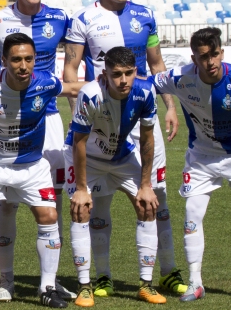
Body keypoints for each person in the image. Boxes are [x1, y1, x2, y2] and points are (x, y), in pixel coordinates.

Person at [62, 0, 185, 300]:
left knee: (155, 198)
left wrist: (170, 106)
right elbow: (71, 71)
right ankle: (101, 277)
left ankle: (168, 270)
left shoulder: (145, 16)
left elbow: (157, 65)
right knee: (95, 205)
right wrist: (80, 114)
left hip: (141, 116)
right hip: (100, 117)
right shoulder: (84, 18)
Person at [0, 33, 83, 310]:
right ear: (3, 61)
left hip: (31, 166)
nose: (23, 66)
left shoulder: (46, 83)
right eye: (16, 59)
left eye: (29, 59)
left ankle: (47, 287)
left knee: (49, 215)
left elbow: (74, 89)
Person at [0, 0, 79, 301]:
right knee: (6, 203)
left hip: (48, 119)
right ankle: (5, 280)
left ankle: (48, 281)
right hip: (7, 121)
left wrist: (77, 115)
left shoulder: (61, 18)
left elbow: (74, 66)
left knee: (51, 201)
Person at [151, 27, 231, 302]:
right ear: (194, 59)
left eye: (214, 54)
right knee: (191, 217)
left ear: (221, 53)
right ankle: (195, 282)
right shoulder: (180, 78)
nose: (210, 62)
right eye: (204, 57)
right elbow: (145, 84)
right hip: (201, 157)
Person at [65, 46, 167, 306]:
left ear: (136, 71)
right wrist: (81, 187)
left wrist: (146, 184)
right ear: (104, 73)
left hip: (122, 157)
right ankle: (85, 285)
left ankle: (146, 285)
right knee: (81, 209)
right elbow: (79, 142)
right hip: (87, 157)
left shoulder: (145, 92)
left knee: (147, 205)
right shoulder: (91, 94)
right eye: (117, 74)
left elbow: (147, 140)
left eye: (129, 73)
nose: (123, 81)